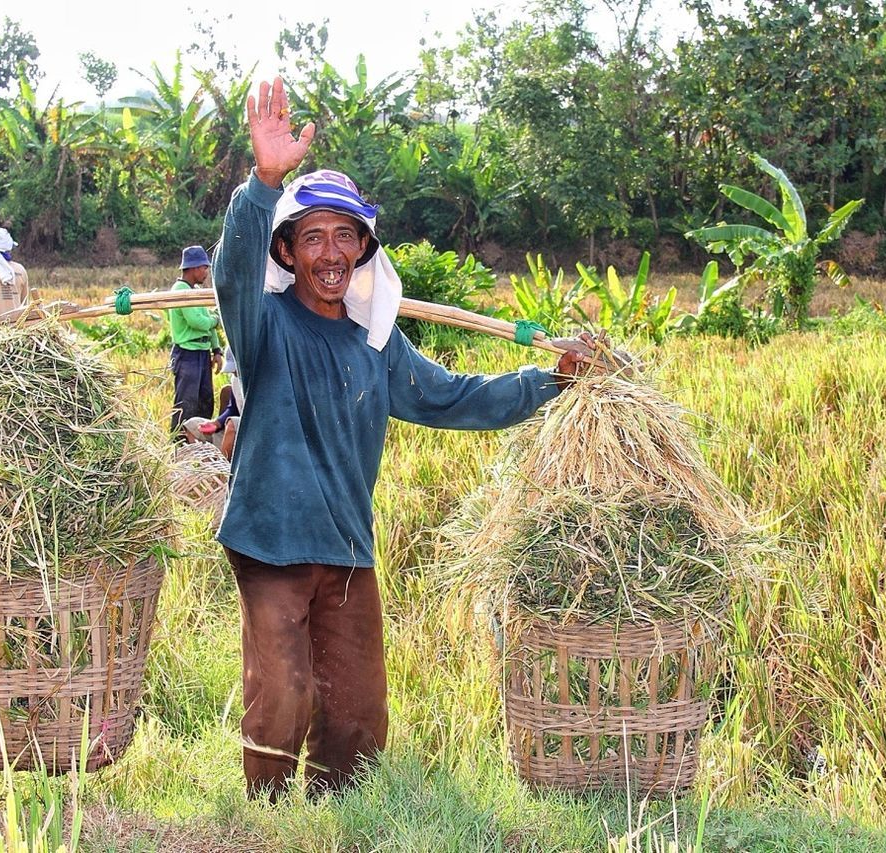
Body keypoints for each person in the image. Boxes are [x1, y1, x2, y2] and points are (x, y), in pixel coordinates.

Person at [211, 77, 596, 801]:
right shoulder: (264, 326)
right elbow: (234, 267)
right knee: (285, 690)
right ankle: (263, 818)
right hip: (268, 539)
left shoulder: (374, 345)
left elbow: (453, 396)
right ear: (288, 252)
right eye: (312, 236)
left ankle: (339, 817)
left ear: (361, 250)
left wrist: (550, 381)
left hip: (346, 549)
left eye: (344, 236)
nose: (330, 251)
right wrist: (264, 182)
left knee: (359, 714)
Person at [168, 245, 225, 439]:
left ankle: (199, 441)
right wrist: (217, 320)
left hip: (202, 353)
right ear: (192, 268)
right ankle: (179, 444)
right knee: (186, 402)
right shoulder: (180, 291)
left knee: (205, 400)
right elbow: (198, 322)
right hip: (187, 354)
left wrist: (216, 350)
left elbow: (207, 324)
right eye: (203, 267)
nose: (206, 272)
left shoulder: (197, 291)